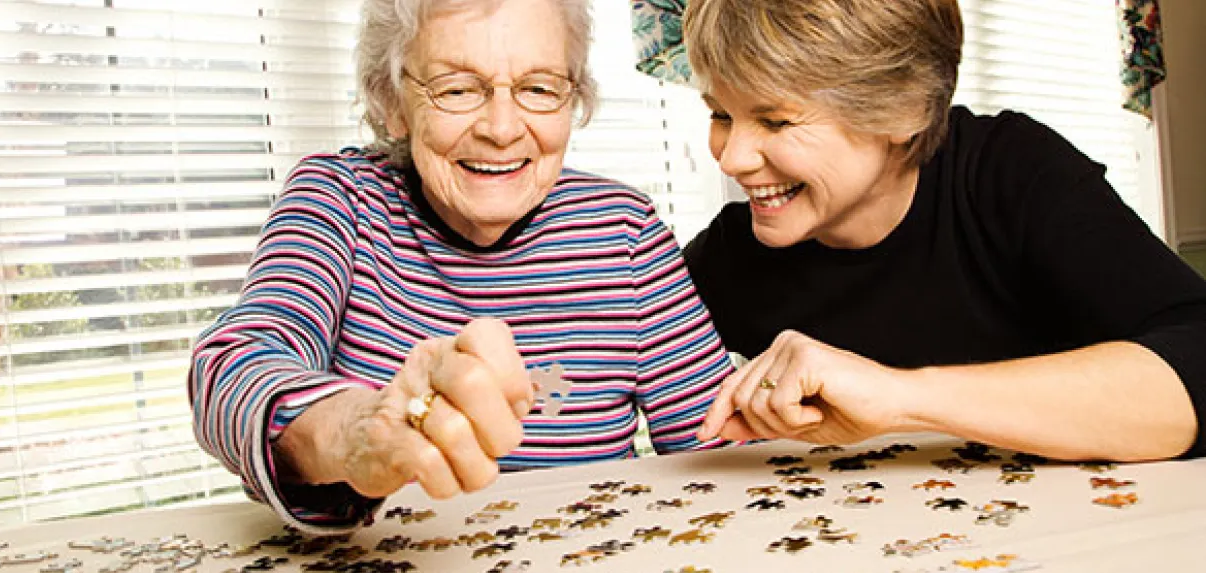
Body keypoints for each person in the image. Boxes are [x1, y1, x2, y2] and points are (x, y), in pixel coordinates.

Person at [189, 0, 732, 532]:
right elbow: (232, 368)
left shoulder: (625, 232)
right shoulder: (339, 200)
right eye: (456, 89)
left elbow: (720, 452)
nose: (501, 128)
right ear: (392, 103)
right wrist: (360, 430)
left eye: (539, 88)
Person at [680, 0, 1206, 461]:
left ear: (901, 108)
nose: (732, 157)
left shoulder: (1012, 174)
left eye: (775, 121)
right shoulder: (731, 253)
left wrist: (899, 399)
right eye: (722, 115)